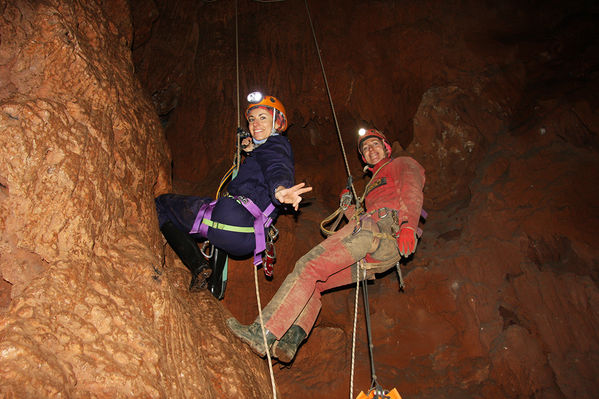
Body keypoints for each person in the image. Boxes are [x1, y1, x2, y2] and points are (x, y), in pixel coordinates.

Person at [226, 128, 425, 363]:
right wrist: (349, 206)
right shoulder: (373, 185)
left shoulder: (401, 163)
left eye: (375, 145)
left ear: (386, 147)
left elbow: (412, 190)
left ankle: (263, 332)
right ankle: (290, 342)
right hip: (373, 247)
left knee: (308, 267)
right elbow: (365, 219)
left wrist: (408, 226)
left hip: (381, 235)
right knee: (317, 282)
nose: (371, 150)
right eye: (365, 149)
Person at [155, 93, 312, 299]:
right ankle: (214, 284)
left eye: (263, 117)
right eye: (252, 119)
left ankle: (198, 265)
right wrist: (251, 149)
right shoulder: (269, 148)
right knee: (213, 220)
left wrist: (280, 189)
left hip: (234, 218)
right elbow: (265, 161)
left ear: (277, 122)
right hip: (247, 238)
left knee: (163, 205)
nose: (255, 123)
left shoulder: (277, 146)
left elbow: (276, 167)